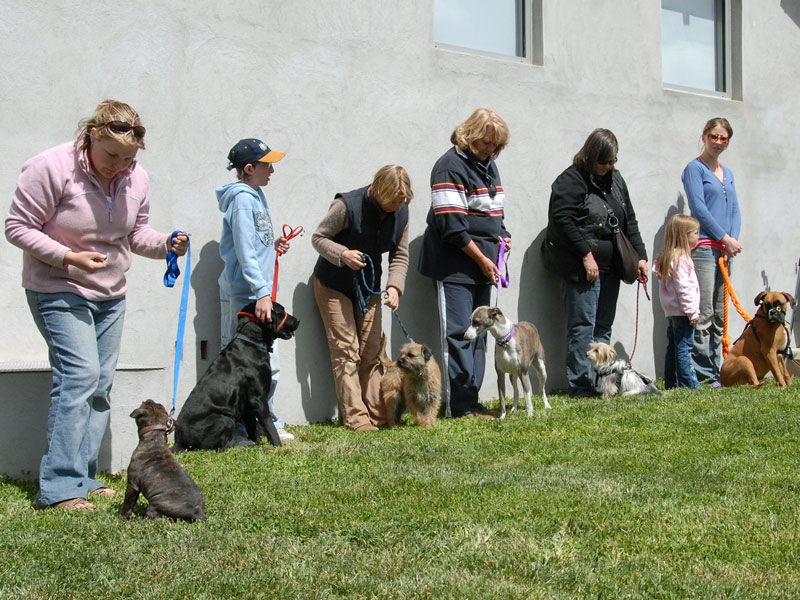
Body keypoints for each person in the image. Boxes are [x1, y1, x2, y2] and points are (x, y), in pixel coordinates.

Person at [4, 100, 189, 510]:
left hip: (110, 295)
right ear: (92, 135)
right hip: (57, 286)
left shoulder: (134, 177)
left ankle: (83, 476)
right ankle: (57, 487)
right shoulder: (50, 167)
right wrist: (67, 257)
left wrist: (166, 245)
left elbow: (136, 234)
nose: (119, 166)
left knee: (101, 384)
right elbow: (16, 227)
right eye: (111, 156)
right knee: (80, 376)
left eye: (128, 158)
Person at [418, 108, 511, 418]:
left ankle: (471, 400)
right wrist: (483, 259)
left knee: (481, 332)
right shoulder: (449, 166)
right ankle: (457, 405)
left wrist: (503, 236)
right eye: (487, 143)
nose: (491, 150)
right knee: (459, 333)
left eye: (496, 145)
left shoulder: (489, 167)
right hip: (454, 266)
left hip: (483, 266)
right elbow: (452, 226)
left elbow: (494, 213)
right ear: (470, 135)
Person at [542, 128, 648, 397]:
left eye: (614, 161)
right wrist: (585, 255)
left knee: (603, 326)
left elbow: (629, 221)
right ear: (591, 157)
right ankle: (581, 385)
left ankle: (603, 383)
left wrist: (641, 256)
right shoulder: (570, 180)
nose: (610, 167)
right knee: (583, 326)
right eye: (605, 162)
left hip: (611, 266)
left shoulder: (615, 179)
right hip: (581, 267)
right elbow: (562, 221)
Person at [312, 165, 413, 431]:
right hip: (333, 285)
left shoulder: (401, 210)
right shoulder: (347, 206)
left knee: (372, 353)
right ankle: (356, 418)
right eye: (392, 201)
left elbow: (400, 255)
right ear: (378, 190)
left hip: (369, 288)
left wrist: (394, 287)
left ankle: (379, 416)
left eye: (401, 202)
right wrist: (342, 254)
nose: (396, 207)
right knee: (346, 352)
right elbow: (319, 238)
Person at [217, 138, 294, 442]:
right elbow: (243, 249)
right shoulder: (242, 199)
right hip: (246, 294)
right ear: (249, 169)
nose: (272, 170)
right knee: (240, 366)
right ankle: (238, 430)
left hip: (257, 292)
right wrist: (261, 291)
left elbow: (253, 244)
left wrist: (271, 247)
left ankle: (266, 422)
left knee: (267, 364)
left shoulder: (256, 195)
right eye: (266, 165)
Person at [682, 117, 742, 386]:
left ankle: (718, 371)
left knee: (720, 314)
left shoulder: (727, 173)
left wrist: (732, 242)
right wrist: (723, 237)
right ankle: (704, 376)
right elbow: (699, 209)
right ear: (704, 136)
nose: (718, 142)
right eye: (714, 136)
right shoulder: (694, 170)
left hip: (724, 252)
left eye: (723, 138)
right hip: (706, 249)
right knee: (704, 314)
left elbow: (735, 210)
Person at [653, 214, 702, 389]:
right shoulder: (681, 259)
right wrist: (692, 312)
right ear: (684, 236)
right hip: (683, 312)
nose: (698, 237)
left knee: (673, 348)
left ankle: (671, 382)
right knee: (684, 348)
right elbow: (685, 288)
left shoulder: (669, 257)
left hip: (673, 312)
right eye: (695, 233)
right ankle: (688, 384)